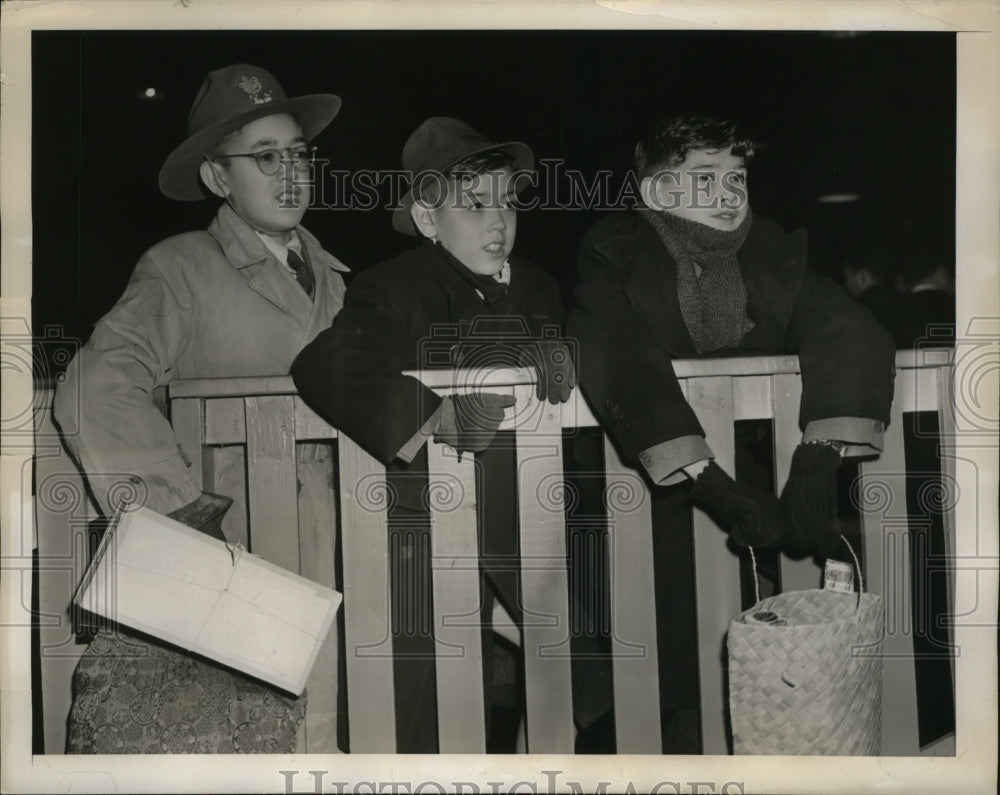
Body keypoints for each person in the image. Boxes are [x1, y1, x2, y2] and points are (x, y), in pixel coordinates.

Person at [567, 113, 895, 750]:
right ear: (659, 193)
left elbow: (849, 330)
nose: (728, 195)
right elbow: (615, 350)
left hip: (755, 487)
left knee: (756, 654)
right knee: (669, 670)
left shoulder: (770, 248)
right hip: (639, 491)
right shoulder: (614, 250)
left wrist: (818, 457)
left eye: (737, 177)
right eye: (705, 177)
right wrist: (705, 477)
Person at [54, 64, 349, 753]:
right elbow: (93, 389)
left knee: (325, 738)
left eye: (299, 154)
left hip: (335, 551)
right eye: (265, 157)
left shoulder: (338, 279)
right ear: (219, 179)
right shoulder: (180, 267)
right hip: (234, 565)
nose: (290, 173)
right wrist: (184, 523)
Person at [292, 117, 610, 752]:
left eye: (508, 203)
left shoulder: (540, 286)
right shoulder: (396, 285)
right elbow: (326, 362)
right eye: (473, 205)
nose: (499, 222)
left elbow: (578, 358)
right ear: (428, 219)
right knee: (420, 721)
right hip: (430, 534)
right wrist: (433, 412)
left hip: (534, 531)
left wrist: (564, 351)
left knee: (574, 691)